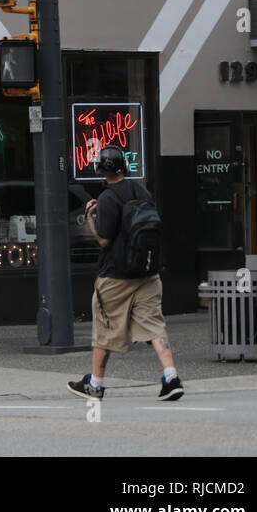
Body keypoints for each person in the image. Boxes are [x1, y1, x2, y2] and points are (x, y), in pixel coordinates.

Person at [68, 146, 183, 402]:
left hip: (117, 275)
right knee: (153, 324)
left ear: (101, 170)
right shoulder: (141, 191)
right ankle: (171, 377)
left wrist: (90, 217)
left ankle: (95, 384)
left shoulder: (107, 197)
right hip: (147, 272)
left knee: (104, 325)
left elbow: (104, 240)